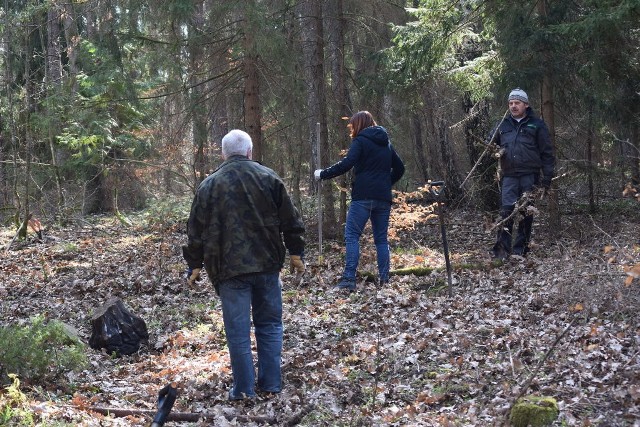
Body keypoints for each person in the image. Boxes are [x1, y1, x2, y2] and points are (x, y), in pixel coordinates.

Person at [182, 129, 305, 400]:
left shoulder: (209, 185)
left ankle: (243, 390)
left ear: (224, 153)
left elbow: (195, 231)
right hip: (267, 265)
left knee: (237, 332)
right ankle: (271, 384)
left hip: (229, 269)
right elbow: (291, 220)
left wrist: (194, 264)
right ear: (249, 151)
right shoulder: (269, 177)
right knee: (270, 324)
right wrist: (296, 252)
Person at [314, 111, 405, 291]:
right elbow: (400, 168)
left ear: (359, 125)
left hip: (363, 196)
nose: (352, 129)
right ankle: (385, 279)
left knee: (352, 236)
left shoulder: (361, 141)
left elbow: (347, 163)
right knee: (381, 239)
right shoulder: (385, 142)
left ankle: (348, 279)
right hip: (383, 198)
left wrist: (322, 174)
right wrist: (384, 183)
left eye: (353, 125)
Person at [491, 88, 555, 260]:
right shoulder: (502, 125)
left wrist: (546, 179)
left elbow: (547, 154)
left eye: (517, 103)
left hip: (530, 176)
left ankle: (521, 250)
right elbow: (492, 145)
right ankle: (502, 251)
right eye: (511, 103)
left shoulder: (537, 124)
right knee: (506, 212)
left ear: (526, 105)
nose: (513, 106)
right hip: (509, 176)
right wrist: (493, 142)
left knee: (526, 213)